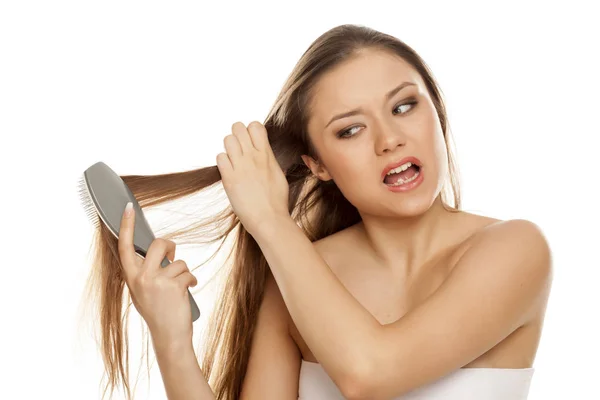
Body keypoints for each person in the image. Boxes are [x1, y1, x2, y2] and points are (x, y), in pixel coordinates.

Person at [83, 24, 553, 400]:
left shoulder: (515, 250)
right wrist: (172, 342)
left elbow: (369, 373)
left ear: (437, 112)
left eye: (405, 105)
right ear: (317, 165)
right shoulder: (298, 278)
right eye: (350, 130)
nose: (389, 139)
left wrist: (269, 221)